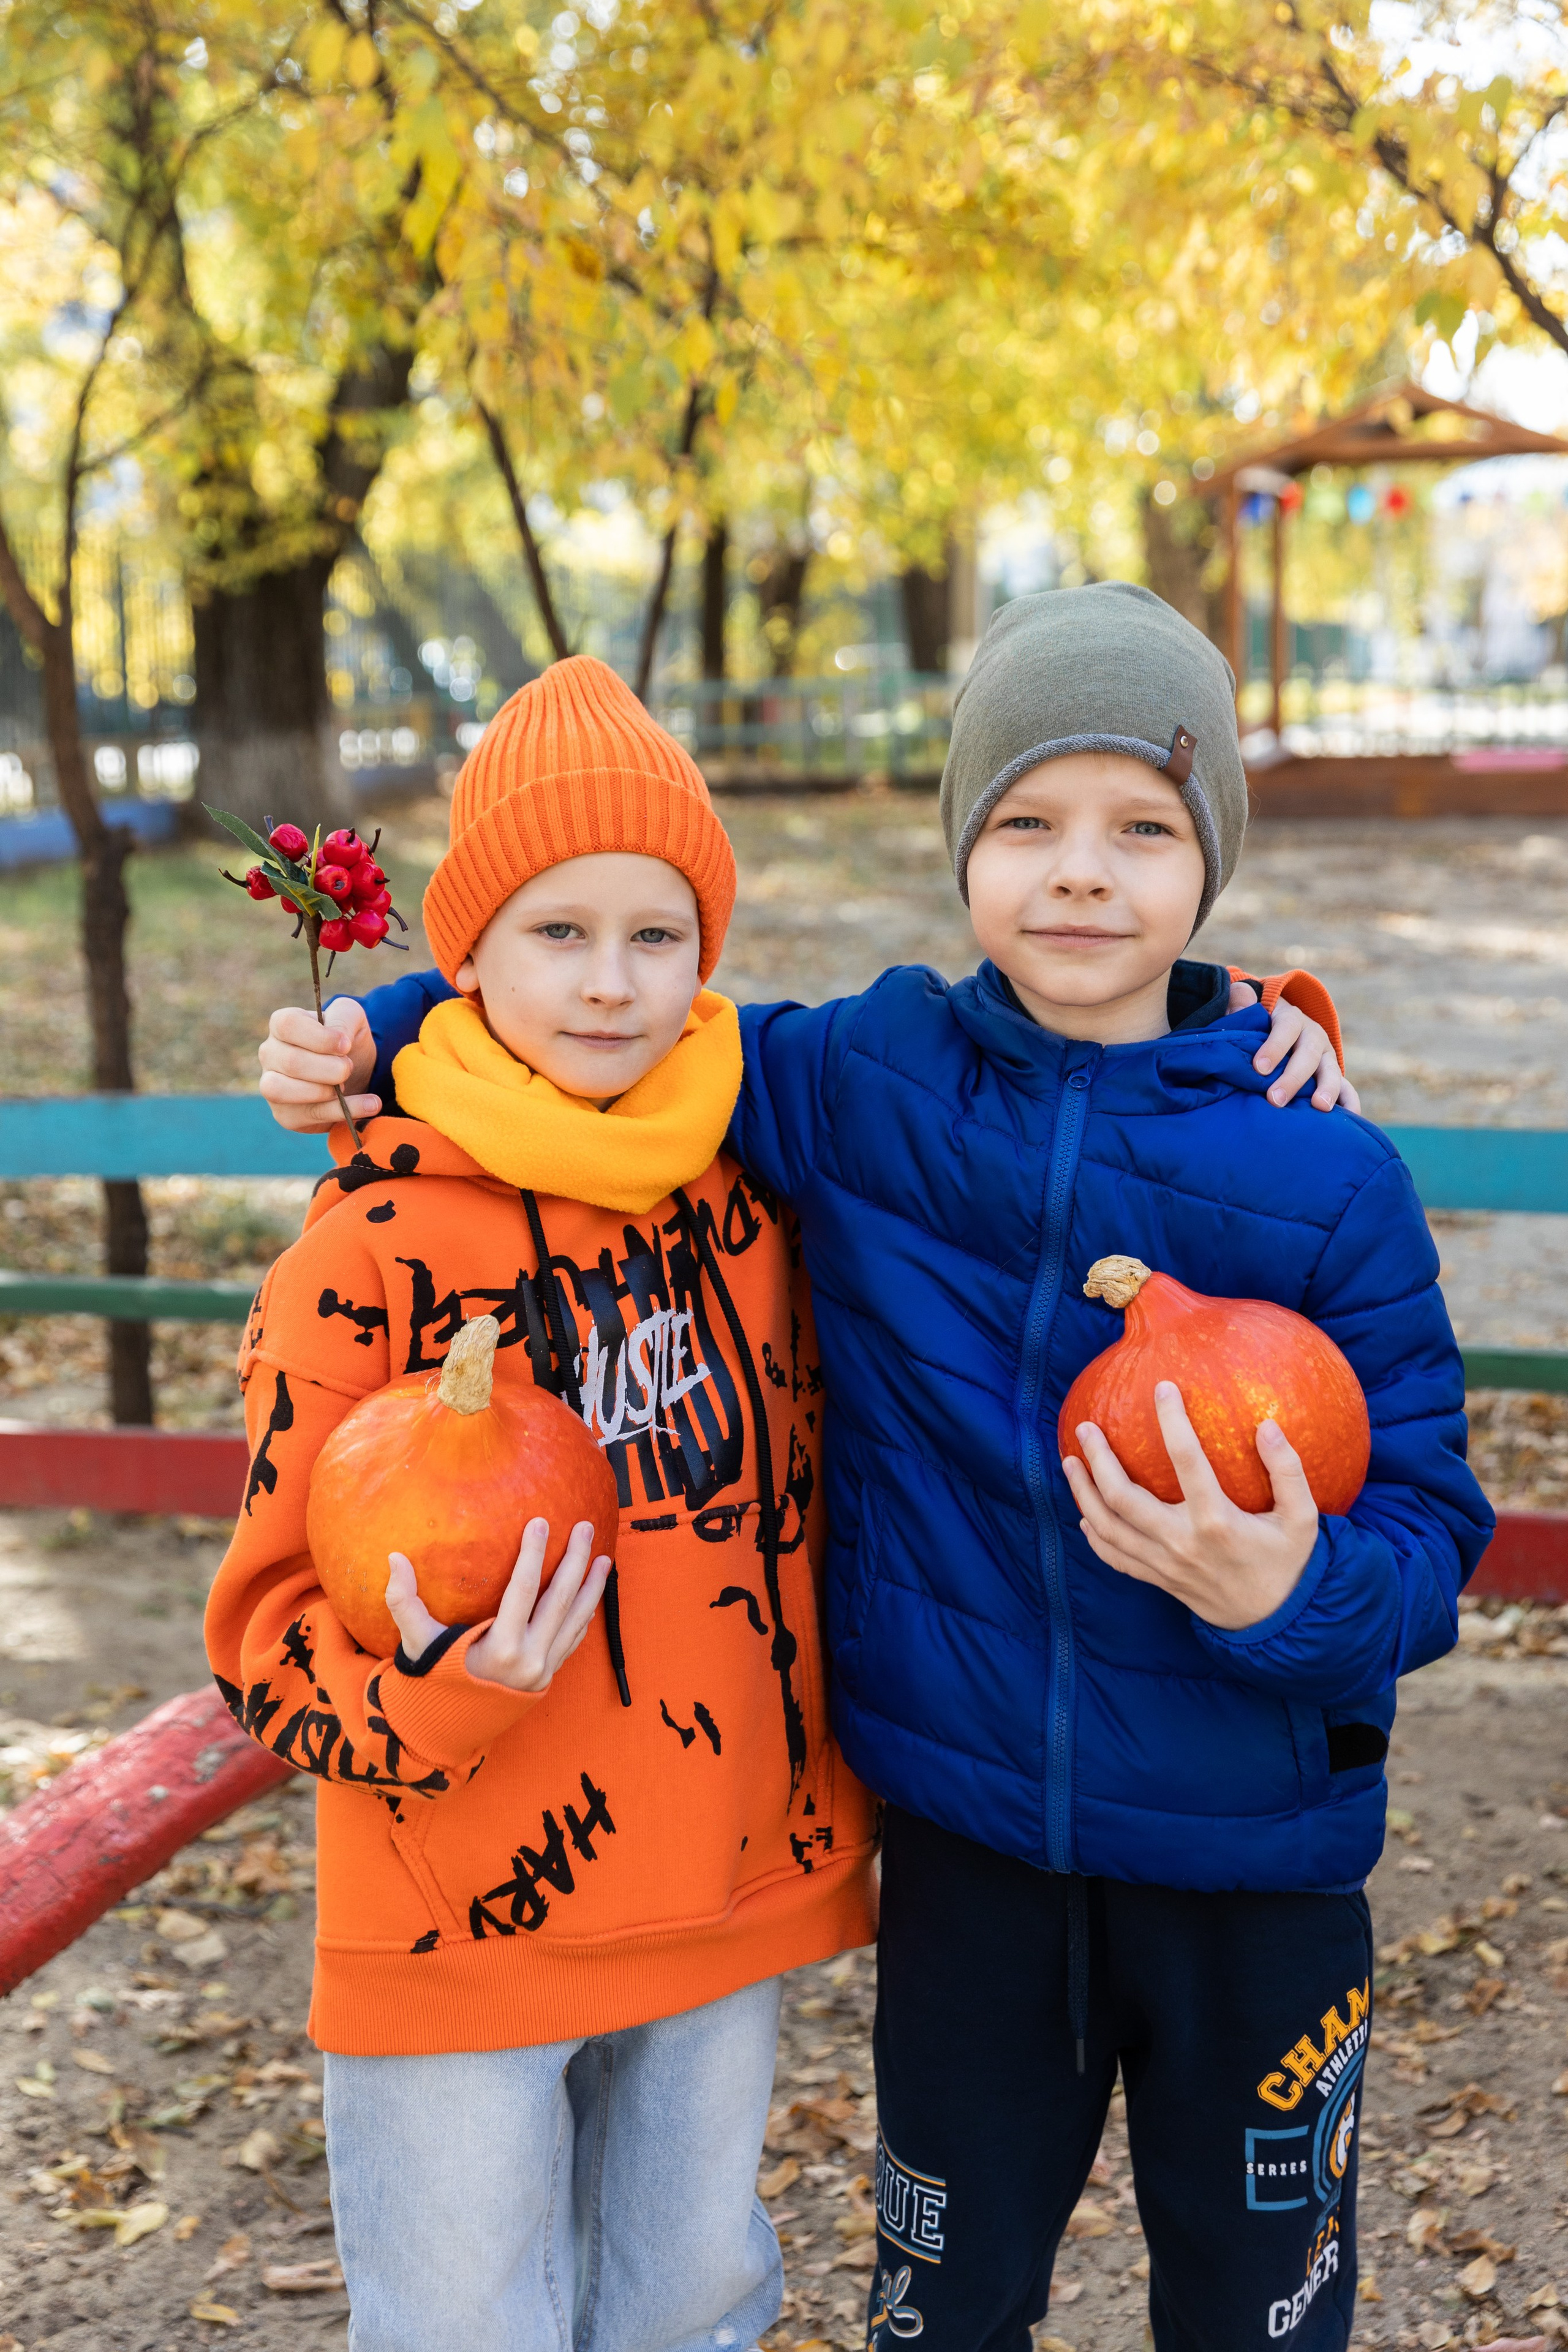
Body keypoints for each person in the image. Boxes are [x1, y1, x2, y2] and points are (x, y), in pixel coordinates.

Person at [252, 585, 1489, 2351]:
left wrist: (1297, 1598)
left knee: (1263, 2305)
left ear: (1211, 857)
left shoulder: (1322, 1171)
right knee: (945, 2300)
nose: (1082, 874)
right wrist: (379, 1028)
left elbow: (1437, 1528)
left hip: (1259, 1861)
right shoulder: (861, 1076)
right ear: (961, 850)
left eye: (1144, 828)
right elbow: (597, 994)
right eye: (1026, 824)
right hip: (971, 1847)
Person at [207, 654, 880, 2352]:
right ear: (467, 963)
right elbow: (263, 1638)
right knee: (463, 2328)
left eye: (656, 936)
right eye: (554, 934)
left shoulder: (760, 1187)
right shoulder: (369, 1249)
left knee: (691, 2308)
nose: (609, 983)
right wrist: (446, 1697)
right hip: (461, 1916)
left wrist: (1259, 1026)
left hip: (719, 1890)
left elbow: (1027, 1067)